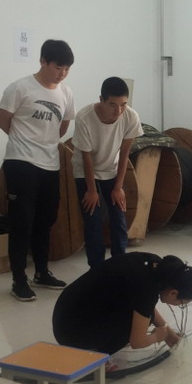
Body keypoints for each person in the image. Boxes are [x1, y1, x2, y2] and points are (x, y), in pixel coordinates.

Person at [0, 39, 76, 302]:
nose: (62, 73)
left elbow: (62, 127)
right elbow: (2, 120)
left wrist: (44, 143)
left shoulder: (66, 93)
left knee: (45, 221)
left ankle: (42, 272)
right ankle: (19, 279)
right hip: (20, 162)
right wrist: (25, 140)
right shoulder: (20, 88)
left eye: (67, 68)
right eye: (58, 67)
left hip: (50, 164)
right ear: (43, 61)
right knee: (22, 223)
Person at [52, 252, 192, 356]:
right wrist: (158, 336)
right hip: (72, 333)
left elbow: (144, 305)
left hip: (65, 313)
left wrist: (166, 329)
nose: (179, 305)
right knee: (143, 320)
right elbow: (137, 342)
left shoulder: (155, 265)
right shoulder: (147, 287)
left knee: (143, 315)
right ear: (174, 293)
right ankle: (102, 354)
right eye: (181, 303)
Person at [71, 77, 143, 268]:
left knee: (118, 216)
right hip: (85, 171)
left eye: (123, 104)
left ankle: (120, 264)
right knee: (92, 219)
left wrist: (118, 187)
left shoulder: (131, 117)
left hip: (111, 168)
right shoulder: (84, 117)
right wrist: (92, 191)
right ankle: (97, 268)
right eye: (112, 104)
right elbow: (86, 158)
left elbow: (125, 153)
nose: (118, 111)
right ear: (101, 100)